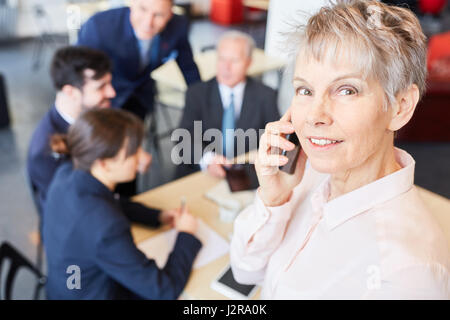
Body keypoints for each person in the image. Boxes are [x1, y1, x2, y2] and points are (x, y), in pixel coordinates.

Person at [230, 0, 449, 299]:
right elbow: (245, 271)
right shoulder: (310, 175)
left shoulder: (407, 274)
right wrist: (274, 198)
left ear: (400, 106)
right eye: (305, 90)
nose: (314, 116)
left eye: (346, 90)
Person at [44, 108, 201, 300]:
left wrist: (157, 216)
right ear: (104, 163)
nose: (143, 158)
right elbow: (163, 290)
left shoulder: (67, 174)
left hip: (65, 285)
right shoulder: (106, 227)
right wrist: (186, 235)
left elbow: (112, 202)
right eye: (133, 152)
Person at [176, 31, 280, 178]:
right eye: (222, 59)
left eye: (234, 60)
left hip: (245, 176)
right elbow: (184, 140)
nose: (226, 67)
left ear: (248, 62)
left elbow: (275, 139)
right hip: (201, 174)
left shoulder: (266, 96)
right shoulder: (196, 93)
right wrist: (208, 159)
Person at [27, 46, 116, 214]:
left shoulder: (98, 113)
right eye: (101, 86)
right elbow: (67, 211)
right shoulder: (44, 151)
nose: (112, 92)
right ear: (70, 92)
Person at [77, 0, 201, 119]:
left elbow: (188, 67)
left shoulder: (178, 26)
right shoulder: (98, 26)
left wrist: (201, 101)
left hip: (142, 95)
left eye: (158, 15)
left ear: (170, 14)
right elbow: (78, 68)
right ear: (132, 3)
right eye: (143, 9)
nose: (148, 22)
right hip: (106, 96)